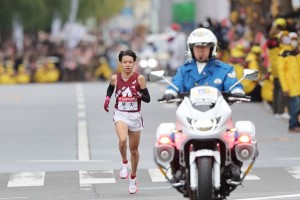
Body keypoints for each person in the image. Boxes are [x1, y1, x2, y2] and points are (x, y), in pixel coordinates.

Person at [161, 27, 245, 182]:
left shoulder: (225, 69)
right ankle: (177, 168)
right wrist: (170, 93)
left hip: (218, 113)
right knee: (169, 136)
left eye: (204, 47)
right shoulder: (183, 70)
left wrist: (238, 91)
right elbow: (174, 85)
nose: (201, 51)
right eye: (197, 47)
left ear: (212, 49)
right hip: (191, 114)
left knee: (239, 136)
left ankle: (234, 165)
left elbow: (234, 85)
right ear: (191, 49)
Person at [103, 50, 151, 194]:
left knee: (134, 150)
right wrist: (107, 99)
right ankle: (124, 162)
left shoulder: (140, 79)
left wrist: (139, 94)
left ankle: (133, 178)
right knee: (122, 140)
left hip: (135, 116)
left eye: (130, 62)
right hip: (121, 115)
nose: (127, 65)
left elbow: (147, 98)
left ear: (134, 63)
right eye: (125, 62)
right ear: (121, 63)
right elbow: (110, 89)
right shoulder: (115, 78)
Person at [277, 31, 300, 133]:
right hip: (291, 85)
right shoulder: (282, 54)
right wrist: (285, 87)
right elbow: (281, 72)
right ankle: (292, 125)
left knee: (297, 105)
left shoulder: (295, 52)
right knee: (295, 105)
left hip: (298, 83)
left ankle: (296, 124)